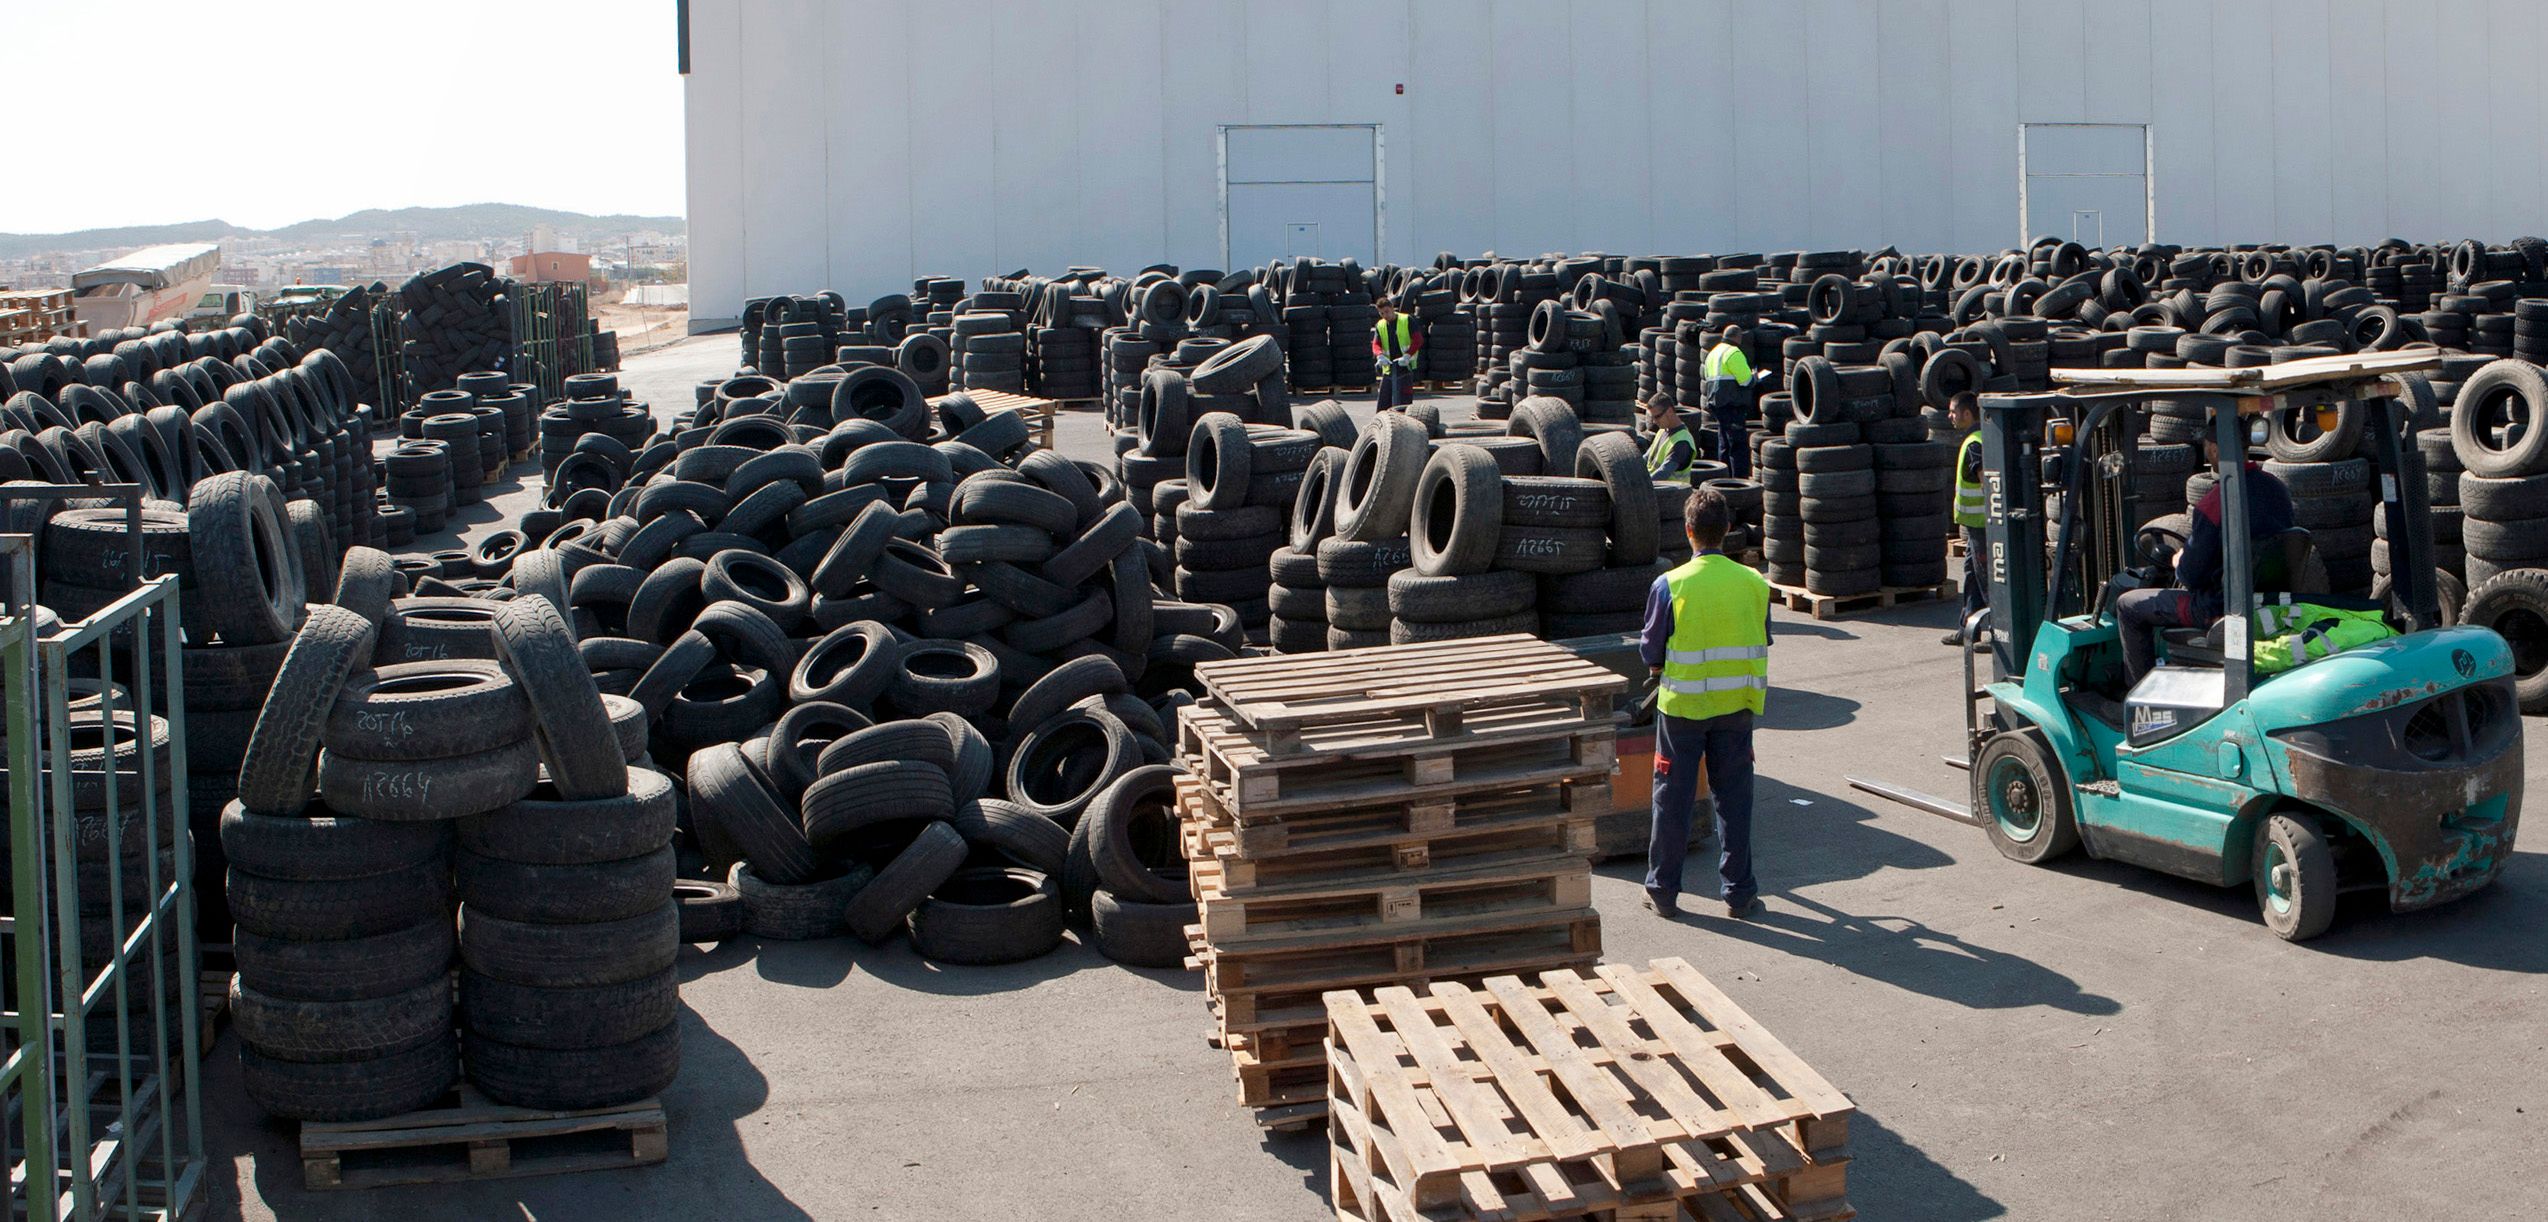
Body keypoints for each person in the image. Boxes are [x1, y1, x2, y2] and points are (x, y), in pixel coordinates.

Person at [1641, 485, 1771, 920]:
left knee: (1672, 800)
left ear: (1688, 531)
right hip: (1737, 708)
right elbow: (1761, 636)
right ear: (1728, 530)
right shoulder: (1754, 583)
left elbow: (1650, 652)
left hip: (1682, 712)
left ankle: (1663, 892)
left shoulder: (1669, 585)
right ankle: (1739, 894)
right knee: (1734, 801)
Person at [2112, 442, 2295, 686]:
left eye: (2207, 447)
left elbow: (2190, 576)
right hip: (2266, 598)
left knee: (2128, 605)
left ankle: (2137, 698)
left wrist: (2179, 560)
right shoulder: (2277, 488)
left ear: (2214, 449)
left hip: (2217, 608)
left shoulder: (2215, 503)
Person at [1946, 392, 1986, 646]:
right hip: (1974, 526)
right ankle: (1967, 629)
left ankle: (2000, 634)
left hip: (1982, 525)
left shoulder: (1974, 444)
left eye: (1953, 411)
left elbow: (1987, 482)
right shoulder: (1977, 438)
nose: (1949, 416)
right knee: (1972, 574)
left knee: (1986, 579)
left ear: (1967, 414)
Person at [1701, 326, 1759, 479]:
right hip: (1731, 404)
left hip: (1715, 403)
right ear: (1738, 337)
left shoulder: (1712, 353)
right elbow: (1746, 381)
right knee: (1737, 445)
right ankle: (1739, 482)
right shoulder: (1733, 352)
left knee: (1724, 442)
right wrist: (1755, 377)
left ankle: (1724, 479)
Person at [1372, 300, 1422, 411]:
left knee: (1403, 403)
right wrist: (1379, 355)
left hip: (1405, 368)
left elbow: (1418, 339)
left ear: (1392, 308)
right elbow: (1376, 344)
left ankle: (1404, 425)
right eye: (1381, 313)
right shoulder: (1380, 325)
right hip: (1389, 369)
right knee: (1383, 403)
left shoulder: (1406, 320)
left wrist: (1408, 356)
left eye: (1387, 311)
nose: (1385, 315)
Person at [1643, 393, 1698, 482]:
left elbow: (1664, 472)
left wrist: (1641, 486)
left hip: (1672, 493)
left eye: (1657, 417)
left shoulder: (1682, 442)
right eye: (1652, 417)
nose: (1654, 421)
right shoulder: (1662, 431)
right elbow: (1646, 457)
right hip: (1656, 489)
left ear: (1669, 411)